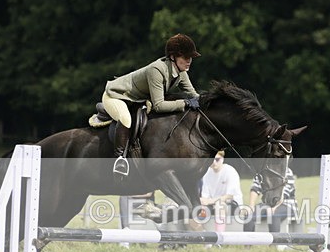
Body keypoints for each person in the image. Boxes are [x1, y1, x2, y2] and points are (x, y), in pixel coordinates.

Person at [102, 33, 201, 174]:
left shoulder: (181, 72)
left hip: (135, 100)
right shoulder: (157, 70)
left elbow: (193, 95)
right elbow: (159, 105)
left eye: (190, 57)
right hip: (116, 96)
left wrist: (205, 102)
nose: (189, 60)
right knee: (126, 119)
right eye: (185, 57)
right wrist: (184, 103)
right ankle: (119, 160)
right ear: (173, 57)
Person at [243, 166, 297, 236]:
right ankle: (247, 244)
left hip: (286, 204)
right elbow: (255, 188)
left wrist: (274, 207)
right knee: (249, 214)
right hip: (266, 204)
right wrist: (251, 205)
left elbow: (284, 193)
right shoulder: (262, 171)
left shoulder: (286, 171)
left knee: (274, 214)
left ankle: (273, 244)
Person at [200, 151, 243, 232]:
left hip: (233, 205)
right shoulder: (207, 172)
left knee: (220, 206)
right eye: (212, 159)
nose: (214, 162)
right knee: (196, 209)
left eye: (217, 159)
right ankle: (204, 237)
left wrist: (210, 201)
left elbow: (229, 196)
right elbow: (204, 196)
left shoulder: (230, 171)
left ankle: (219, 238)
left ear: (223, 159)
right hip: (212, 204)